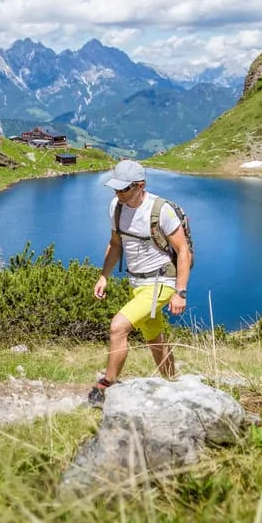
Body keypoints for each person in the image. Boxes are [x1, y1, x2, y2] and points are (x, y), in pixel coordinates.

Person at [88, 159, 191, 407]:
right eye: (116, 188)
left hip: (161, 281)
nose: (118, 193)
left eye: (124, 189)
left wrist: (180, 292)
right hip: (138, 283)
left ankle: (106, 385)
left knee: (118, 327)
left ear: (140, 185)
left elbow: (183, 250)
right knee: (154, 337)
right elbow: (115, 244)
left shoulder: (161, 210)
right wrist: (104, 276)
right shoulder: (116, 206)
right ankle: (172, 382)